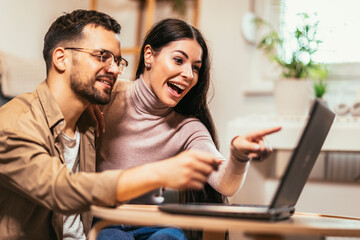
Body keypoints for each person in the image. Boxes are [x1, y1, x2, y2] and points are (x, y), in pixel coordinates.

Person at [0, 11, 222, 240]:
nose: (115, 69)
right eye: (102, 56)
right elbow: (60, 189)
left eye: (117, 60)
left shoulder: (89, 121)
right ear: (61, 58)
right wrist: (158, 174)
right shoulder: (12, 125)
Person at [95, 18, 281, 240]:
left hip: (155, 224)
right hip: (105, 221)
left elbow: (224, 183)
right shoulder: (104, 97)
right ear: (148, 56)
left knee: (170, 237)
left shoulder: (188, 127)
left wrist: (239, 155)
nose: (189, 75)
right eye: (178, 60)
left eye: (195, 67)